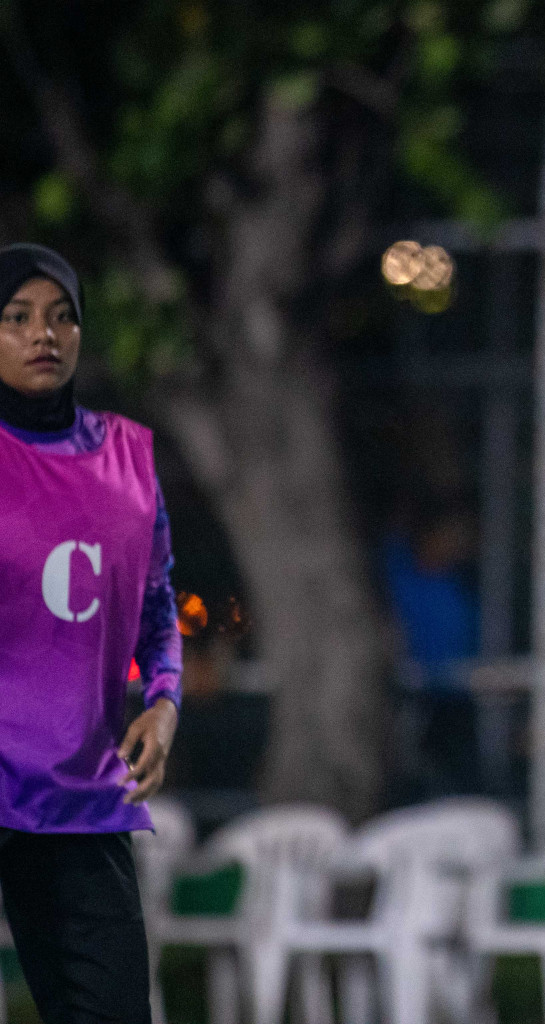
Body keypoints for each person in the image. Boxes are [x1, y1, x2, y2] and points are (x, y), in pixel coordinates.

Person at [0, 243, 182, 1024]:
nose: (44, 334)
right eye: (17, 318)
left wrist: (166, 702)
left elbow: (157, 607)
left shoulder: (128, 457)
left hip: (81, 793)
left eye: (61, 316)